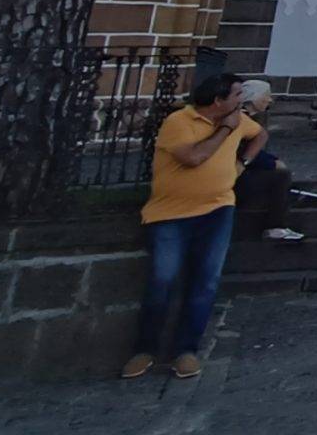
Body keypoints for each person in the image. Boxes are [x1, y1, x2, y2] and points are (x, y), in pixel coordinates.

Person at [123, 73, 262, 379]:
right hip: (170, 215)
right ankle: (144, 349)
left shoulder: (239, 120)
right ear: (218, 101)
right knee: (162, 281)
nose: (244, 101)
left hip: (218, 209)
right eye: (239, 95)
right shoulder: (179, 122)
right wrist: (226, 129)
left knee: (205, 283)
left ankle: (186, 351)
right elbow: (195, 157)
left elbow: (260, 134)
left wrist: (243, 164)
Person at [233, 80, 303, 243]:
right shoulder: (240, 119)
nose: (269, 100)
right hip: (230, 174)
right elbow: (242, 149)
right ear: (253, 97)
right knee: (281, 176)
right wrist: (271, 163)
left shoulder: (253, 118)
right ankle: (275, 227)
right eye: (266, 96)